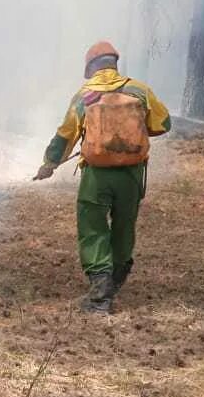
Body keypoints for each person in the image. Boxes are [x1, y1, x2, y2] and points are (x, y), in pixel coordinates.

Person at [35, 41, 171, 313]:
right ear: (114, 64)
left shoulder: (85, 96)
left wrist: (49, 164)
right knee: (124, 226)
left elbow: (66, 135)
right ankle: (117, 277)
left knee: (93, 228)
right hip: (131, 175)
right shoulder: (140, 90)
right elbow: (163, 124)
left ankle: (100, 295)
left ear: (91, 69)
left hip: (96, 176)